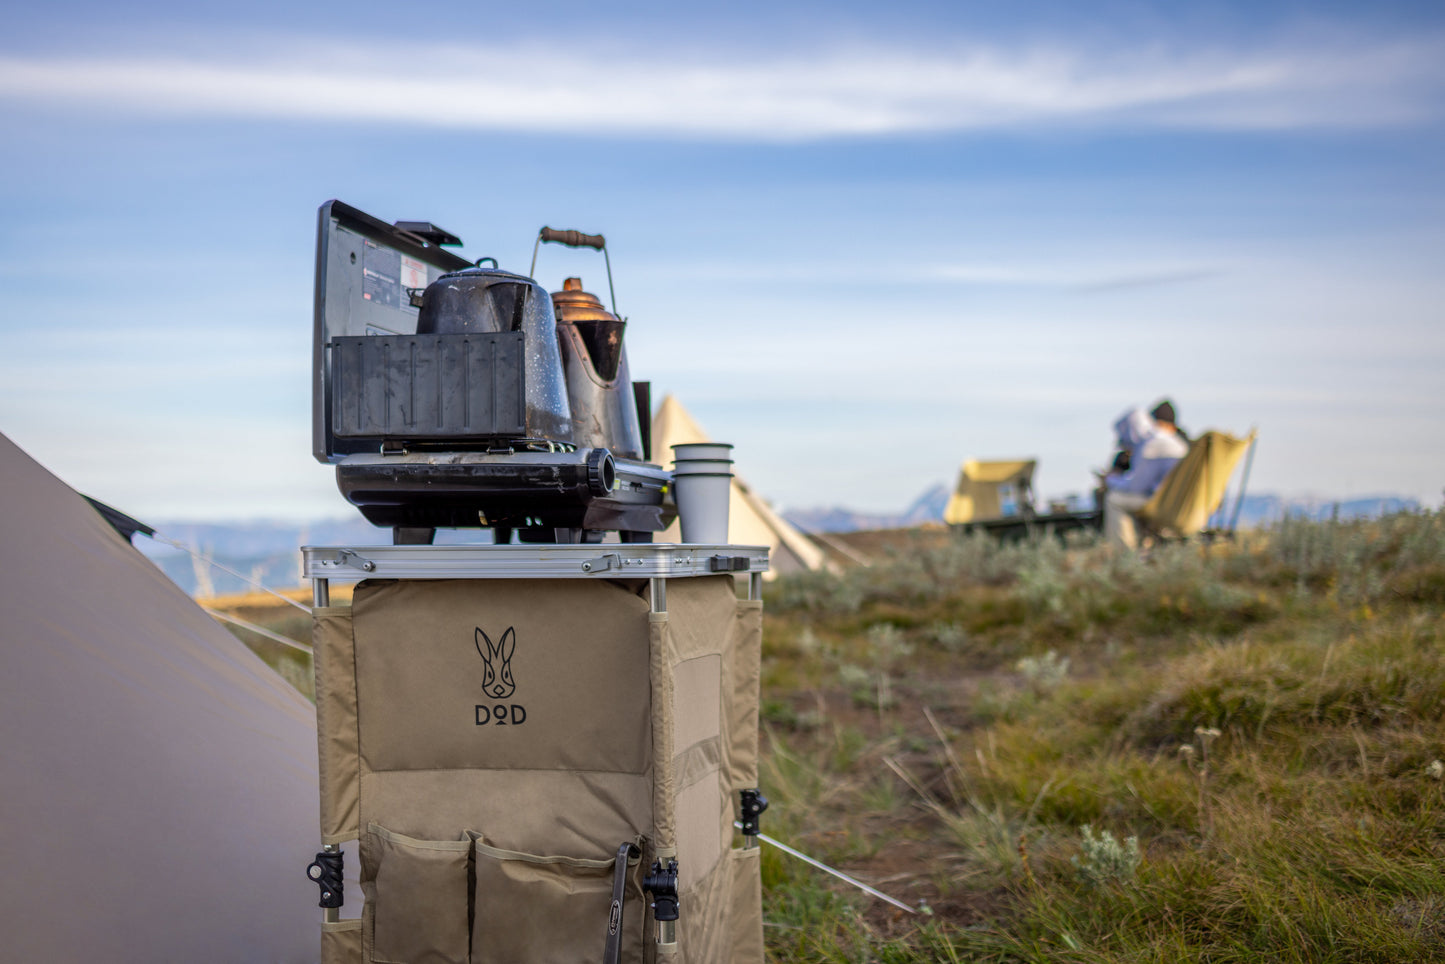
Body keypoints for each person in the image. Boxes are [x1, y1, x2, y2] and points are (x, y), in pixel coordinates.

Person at [1101, 399, 1189, 550]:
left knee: (1114, 500)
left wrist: (1110, 480)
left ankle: (1124, 552)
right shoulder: (1172, 441)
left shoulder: (1151, 445)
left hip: (1165, 505)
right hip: (1180, 501)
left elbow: (1137, 487)